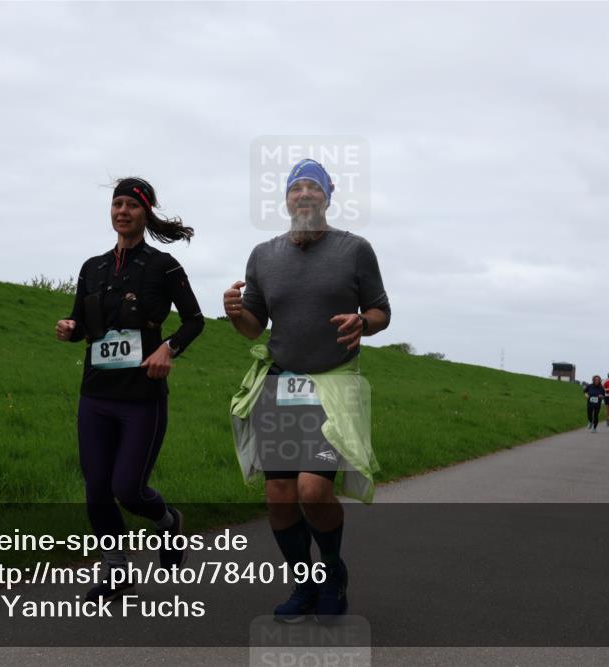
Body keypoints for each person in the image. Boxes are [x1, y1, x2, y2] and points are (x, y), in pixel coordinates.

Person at [225, 158, 390, 623]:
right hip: (281, 383)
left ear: (328, 196)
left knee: (313, 491)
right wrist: (236, 311)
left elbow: (380, 311)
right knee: (279, 494)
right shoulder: (263, 255)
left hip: (331, 385)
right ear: (285, 199)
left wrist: (363, 321)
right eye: (295, 188)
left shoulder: (354, 249)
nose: (304, 195)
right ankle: (304, 583)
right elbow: (253, 326)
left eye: (312, 188)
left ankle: (332, 572)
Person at [55, 177, 205, 601]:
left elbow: (195, 320)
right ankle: (116, 570)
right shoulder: (92, 267)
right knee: (97, 489)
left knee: (128, 489)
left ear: (146, 212)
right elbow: (82, 325)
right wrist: (70, 329)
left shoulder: (163, 266)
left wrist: (168, 348)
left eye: (132, 205)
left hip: (141, 397)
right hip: (96, 393)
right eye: (117, 204)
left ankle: (167, 521)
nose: (122, 211)